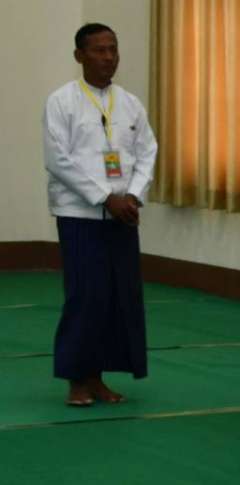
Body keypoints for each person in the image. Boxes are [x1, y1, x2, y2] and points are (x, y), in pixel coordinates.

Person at [44, 23, 157, 407]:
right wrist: (105, 197)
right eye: (99, 50)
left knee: (117, 298)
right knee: (86, 296)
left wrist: (133, 195)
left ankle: (98, 378)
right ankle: (77, 379)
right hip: (79, 214)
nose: (108, 57)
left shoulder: (129, 103)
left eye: (113, 49)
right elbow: (58, 160)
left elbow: (147, 152)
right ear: (79, 55)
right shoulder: (62, 101)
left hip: (123, 214)